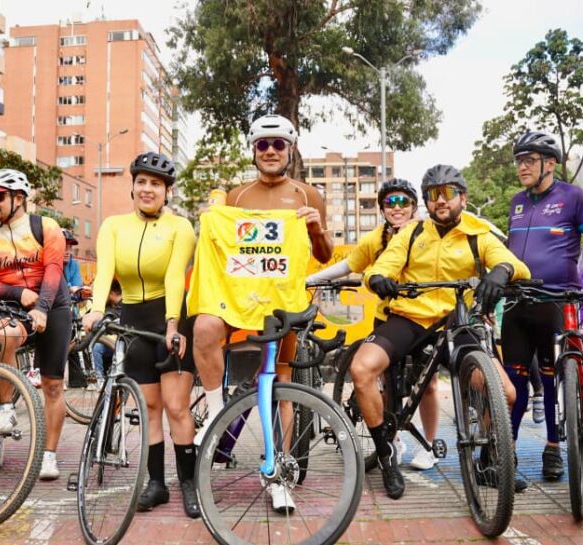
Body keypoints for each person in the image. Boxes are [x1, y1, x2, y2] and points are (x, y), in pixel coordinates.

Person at [356, 164, 531, 499]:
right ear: (426, 201)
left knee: (505, 394)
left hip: (457, 322)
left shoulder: (478, 233)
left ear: (463, 198)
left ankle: (487, 463)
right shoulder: (412, 233)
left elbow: (516, 265)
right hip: (410, 318)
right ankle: (386, 454)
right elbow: (382, 266)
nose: (441, 200)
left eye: (449, 193)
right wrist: (378, 278)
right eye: (433, 194)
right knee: (362, 369)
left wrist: (502, 271)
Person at [191, 114, 333, 512]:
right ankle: (216, 413)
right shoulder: (236, 197)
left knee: (281, 388)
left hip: (283, 303)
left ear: (290, 150)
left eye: (278, 144)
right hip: (240, 300)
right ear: (253, 151)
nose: (271, 151)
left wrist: (317, 228)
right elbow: (218, 248)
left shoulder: (308, 195)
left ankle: (279, 476)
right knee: (204, 327)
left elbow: (324, 255)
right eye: (263, 145)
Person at [81, 152, 199, 518]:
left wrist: (173, 325)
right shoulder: (113, 226)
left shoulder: (180, 227)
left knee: (176, 406)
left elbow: (175, 276)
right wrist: (95, 309)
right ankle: (157, 484)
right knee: (149, 407)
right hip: (132, 319)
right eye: (142, 182)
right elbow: (105, 272)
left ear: (167, 191)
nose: (148, 189)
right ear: (133, 187)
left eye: (156, 184)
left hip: (170, 317)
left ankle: (190, 483)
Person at [307, 178, 440, 469]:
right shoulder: (375, 239)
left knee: (428, 385)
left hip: (425, 318)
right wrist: (309, 280)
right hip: (389, 317)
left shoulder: (429, 233)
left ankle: (428, 445)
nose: (397, 208)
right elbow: (348, 266)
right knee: (387, 383)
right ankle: (392, 439)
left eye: (403, 201)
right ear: (381, 209)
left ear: (414, 206)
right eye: (390, 202)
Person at [505, 130, 583, 481]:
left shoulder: (573, 197)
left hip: (557, 300)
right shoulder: (516, 202)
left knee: (550, 378)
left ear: (550, 163)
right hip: (518, 302)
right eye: (519, 161)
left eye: (529, 160)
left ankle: (553, 447)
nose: (522, 167)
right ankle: (507, 449)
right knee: (514, 381)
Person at [0, 168, 71, 481]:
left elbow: (53, 270)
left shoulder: (46, 227)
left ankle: (49, 455)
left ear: (19, 198)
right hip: (15, 305)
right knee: (5, 334)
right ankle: (5, 407)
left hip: (54, 303)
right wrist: (19, 294)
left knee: (53, 385)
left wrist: (42, 307)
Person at [91, 279, 122, 380]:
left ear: (111, 293)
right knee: (97, 347)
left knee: (98, 347)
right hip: (110, 342)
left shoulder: (124, 304)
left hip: (123, 342)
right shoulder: (108, 306)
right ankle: (99, 378)